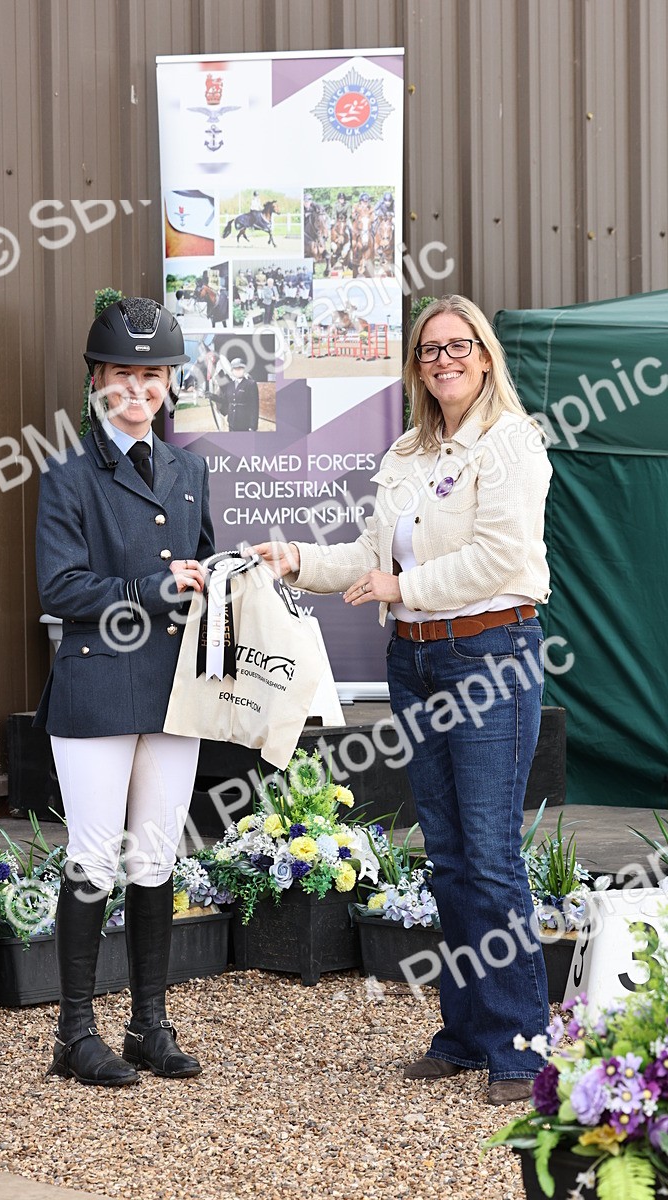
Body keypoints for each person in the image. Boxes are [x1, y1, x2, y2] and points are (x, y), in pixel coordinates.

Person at [253, 294, 552, 1106]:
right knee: (449, 856)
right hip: (416, 660)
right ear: (417, 367)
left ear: (486, 357)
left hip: (490, 652)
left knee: (489, 857)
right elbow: (368, 552)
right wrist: (298, 560)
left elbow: (498, 557)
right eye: (429, 350)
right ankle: (465, 1035)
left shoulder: (512, 444)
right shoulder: (409, 451)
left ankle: (525, 1050)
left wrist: (403, 584)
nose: (444, 359)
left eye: (459, 346)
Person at [34, 296, 215, 1087]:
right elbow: (63, 587)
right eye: (123, 374)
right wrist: (155, 585)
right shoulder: (68, 474)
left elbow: (198, 567)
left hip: (174, 692)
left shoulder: (189, 469)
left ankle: (150, 1022)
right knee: (93, 858)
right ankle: (75, 1033)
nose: (138, 389)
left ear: (169, 384)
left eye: (152, 375)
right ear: (97, 381)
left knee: (154, 857)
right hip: (98, 689)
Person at [215, 357, 260, 431]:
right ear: (232, 371)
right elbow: (225, 400)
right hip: (231, 422)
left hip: (245, 423)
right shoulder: (230, 385)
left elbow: (254, 407)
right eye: (235, 369)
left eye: (240, 368)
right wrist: (212, 396)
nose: (238, 371)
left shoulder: (251, 384)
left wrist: (253, 426)